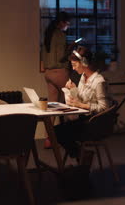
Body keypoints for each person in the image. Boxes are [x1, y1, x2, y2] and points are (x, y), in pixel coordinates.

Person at [54, 46, 110, 162]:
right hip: (84, 120)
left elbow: (104, 108)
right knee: (56, 131)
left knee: (59, 132)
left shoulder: (99, 81)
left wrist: (82, 105)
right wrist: (73, 89)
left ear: (84, 62)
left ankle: (81, 156)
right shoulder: (83, 78)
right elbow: (80, 98)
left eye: (75, 65)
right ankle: (82, 156)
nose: (73, 69)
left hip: (94, 124)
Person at [41, 12, 76, 148]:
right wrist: (70, 49)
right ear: (62, 22)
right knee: (72, 101)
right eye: (67, 23)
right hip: (59, 71)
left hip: (48, 73)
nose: (68, 26)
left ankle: (48, 139)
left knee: (51, 106)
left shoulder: (48, 34)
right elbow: (61, 57)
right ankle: (75, 135)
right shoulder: (60, 35)